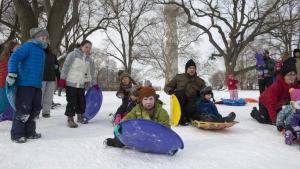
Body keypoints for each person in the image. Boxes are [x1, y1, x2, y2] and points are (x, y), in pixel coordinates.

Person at [7, 28, 49, 143]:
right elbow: (14, 58)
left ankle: (30, 132)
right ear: (36, 37)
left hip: (36, 85)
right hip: (25, 84)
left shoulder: (41, 51)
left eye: (46, 38)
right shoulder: (28, 46)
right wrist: (12, 73)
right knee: (23, 109)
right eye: (42, 37)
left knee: (36, 109)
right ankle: (17, 134)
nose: (44, 40)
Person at [104, 86, 170, 148]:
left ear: (155, 99)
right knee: (121, 141)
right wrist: (120, 125)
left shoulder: (161, 111)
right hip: (140, 134)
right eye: (145, 99)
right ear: (141, 100)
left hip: (154, 136)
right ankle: (114, 142)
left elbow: (166, 126)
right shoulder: (137, 109)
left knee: (164, 145)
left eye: (151, 99)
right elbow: (128, 118)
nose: (148, 102)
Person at [59, 40, 97, 128]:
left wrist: (94, 83)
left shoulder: (89, 60)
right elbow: (66, 67)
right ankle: (70, 118)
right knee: (72, 101)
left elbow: (91, 72)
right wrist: (62, 79)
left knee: (82, 101)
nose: (88, 49)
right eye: (86, 47)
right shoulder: (73, 54)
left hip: (81, 84)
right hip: (71, 83)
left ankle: (80, 116)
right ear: (81, 46)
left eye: (90, 48)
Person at [164, 59, 206, 125]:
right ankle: (181, 117)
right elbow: (167, 87)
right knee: (180, 93)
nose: (192, 70)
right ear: (186, 69)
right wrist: (170, 91)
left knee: (195, 102)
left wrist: (201, 94)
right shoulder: (178, 77)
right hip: (180, 103)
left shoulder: (200, 81)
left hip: (192, 104)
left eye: (193, 68)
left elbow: (206, 92)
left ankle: (193, 116)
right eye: (190, 68)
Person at [40, 46, 60, 118]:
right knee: (39, 96)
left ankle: (46, 112)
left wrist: (59, 78)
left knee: (49, 96)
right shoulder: (39, 53)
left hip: (51, 78)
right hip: (41, 78)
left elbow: (57, 68)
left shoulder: (53, 55)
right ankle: (36, 112)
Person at [0, 40, 19, 113]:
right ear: (11, 48)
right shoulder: (7, 57)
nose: (19, 49)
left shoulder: (10, 56)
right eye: (17, 48)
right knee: (4, 101)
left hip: (9, 82)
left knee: (8, 101)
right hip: (4, 83)